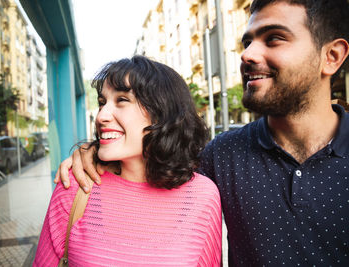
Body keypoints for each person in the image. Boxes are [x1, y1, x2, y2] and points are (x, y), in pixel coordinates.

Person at [56, 0, 349, 266]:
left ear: (332, 56)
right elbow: (157, 157)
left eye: (274, 39)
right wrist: (96, 152)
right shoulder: (222, 154)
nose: (248, 54)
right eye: (247, 41)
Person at [34, 56, 222, 266]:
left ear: (162, 113)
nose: (101, 116)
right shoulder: (76, 186)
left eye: (122, 100)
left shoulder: (203, 196)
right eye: (102, 103)